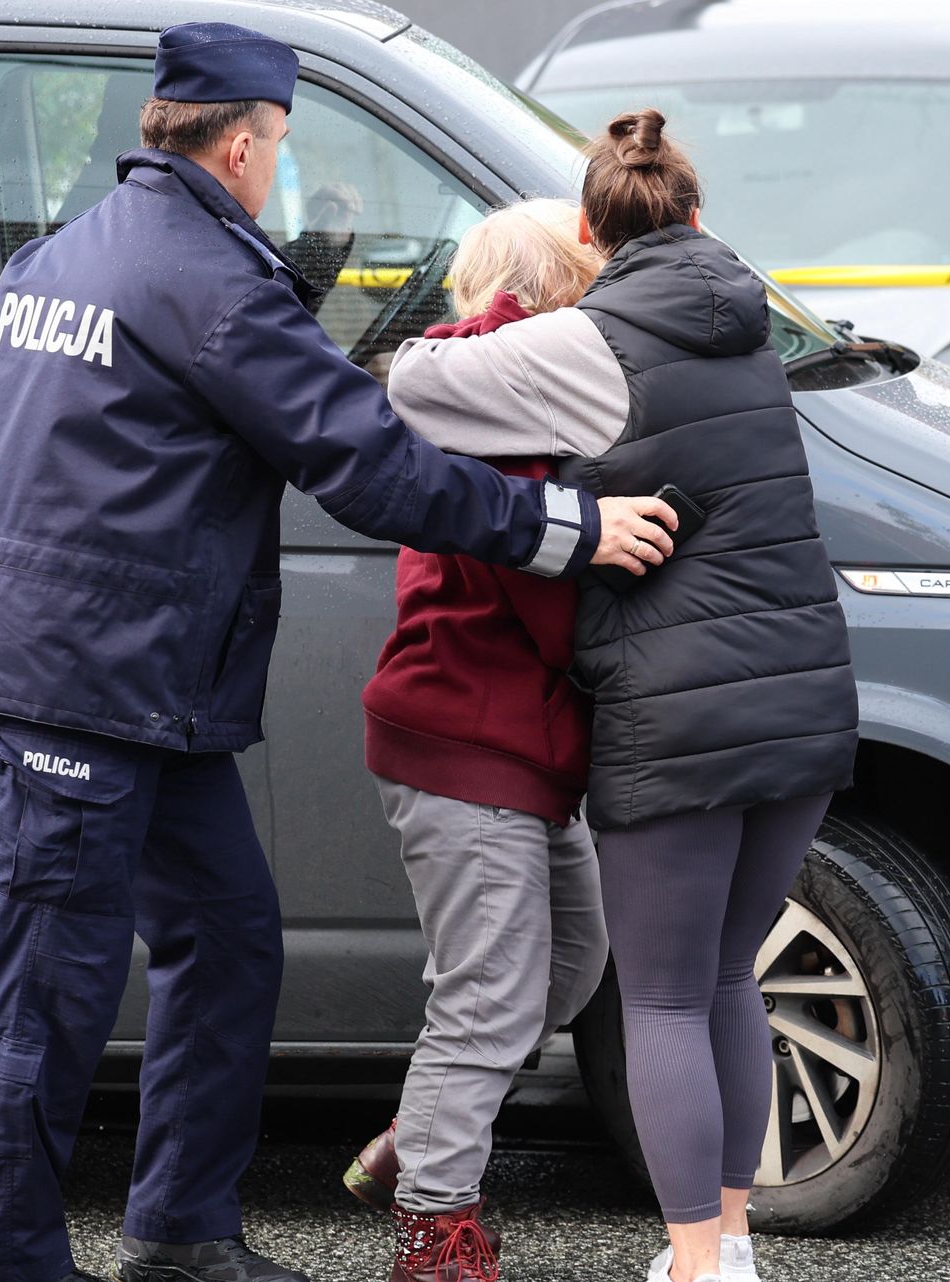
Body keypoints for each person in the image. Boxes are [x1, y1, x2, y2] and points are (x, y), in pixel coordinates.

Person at [0, 22, 680, 1282]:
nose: (276, 162)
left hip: (135, 689)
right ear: (247, 140)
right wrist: (563, 526)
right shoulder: (207, 282)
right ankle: (0, 1265)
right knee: (45, 992)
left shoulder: (60, 258)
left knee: (229, 933)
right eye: (278, 143)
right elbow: (367, 463)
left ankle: (181, 1235)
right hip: (87, 693)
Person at [375, 110, 860, 1282]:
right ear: (700, 218)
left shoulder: (587, 345)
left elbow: (411, 378)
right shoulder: (755, 332)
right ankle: (732, 1240)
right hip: (802, 708)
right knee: (730, 972)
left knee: (665, 1001)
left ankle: (697, 1261)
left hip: (677, 724)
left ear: (595, 233)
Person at [339, 200, 609, 1282]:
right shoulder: (506, 394)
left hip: (505, 739)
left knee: (575, 960)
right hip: (472, 733)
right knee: (489, 996)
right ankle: (436, 1232)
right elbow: (547, 596)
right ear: (559, 290)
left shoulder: (485, 380)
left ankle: (423, 1132)